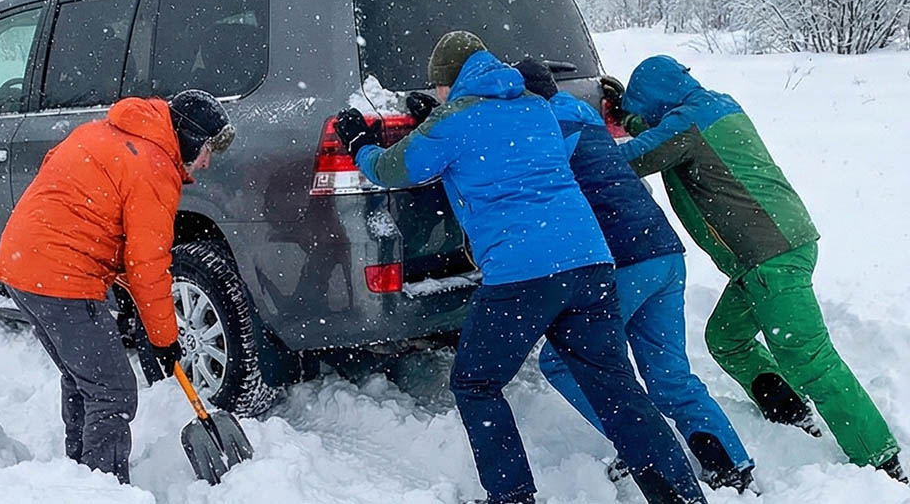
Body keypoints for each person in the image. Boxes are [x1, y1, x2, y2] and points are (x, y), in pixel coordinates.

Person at [334, 31, 706, 504]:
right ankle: (679, 495)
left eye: (438, 89)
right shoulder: (534, 107)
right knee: (615, 385)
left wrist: (360, 141)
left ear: (449, 82)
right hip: (590, 262)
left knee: (475, 382)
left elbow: (392, 169)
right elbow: (495, 144)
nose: (438, 98)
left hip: (523, 273)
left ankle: (511, 496)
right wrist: (439, 122)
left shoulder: (455, 120)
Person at [604, 55, 905, 484]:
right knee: (726, 338)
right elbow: (661, 136)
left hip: (770, 256)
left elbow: (633, 158)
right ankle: (787, 406)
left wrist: (600, 132)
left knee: (809, 357)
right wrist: (631, 119)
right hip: (774, 249)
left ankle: (880, 459)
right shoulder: (711, 107)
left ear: (655, 99)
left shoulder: (686, 125)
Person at [500, 58, 756, 493]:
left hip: (624, 262)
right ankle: (731, 465)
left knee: (561, 360)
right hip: (664, 254)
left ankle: (642, 441)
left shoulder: (541, 133)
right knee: (669, 376)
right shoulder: (585, 120)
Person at [0, 90, 235, 484]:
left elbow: (67, 182)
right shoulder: (154, 166)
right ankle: (105, 487)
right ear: (189, 138)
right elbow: (148, 263)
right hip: (61, 275)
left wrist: (118, 272)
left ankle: (80, 478)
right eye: (206, 150)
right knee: (113, 391)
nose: (206, 162)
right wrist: (163, 337)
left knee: (85, 380)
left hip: (23, 263)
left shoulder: (107, 133)